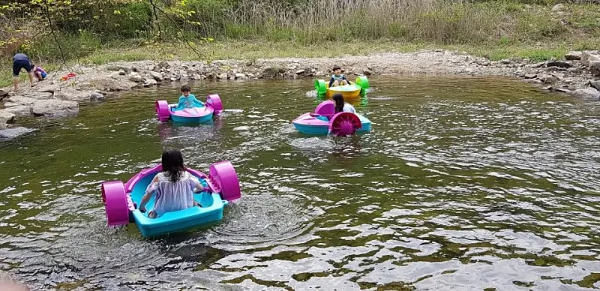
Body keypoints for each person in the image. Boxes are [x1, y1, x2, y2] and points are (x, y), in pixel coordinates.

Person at [139, 149, 202, 218]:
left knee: (155, 209)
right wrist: (195, 190)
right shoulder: (187, 175)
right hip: (185, 208)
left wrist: (142, 207)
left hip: (164, 211)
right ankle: (196, 206)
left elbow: (148, 195)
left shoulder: (159, 177)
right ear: (181, 161)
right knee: (192, 198)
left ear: (164, 163)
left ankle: (153, 215)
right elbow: (200, 188)